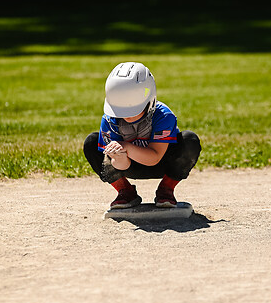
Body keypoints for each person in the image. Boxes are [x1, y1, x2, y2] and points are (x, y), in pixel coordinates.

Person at [83, 62, 201, 209]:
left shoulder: (163, 115)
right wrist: (119, 157)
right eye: (120, 108)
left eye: (132, 108)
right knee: (91, 143)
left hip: (162, 163)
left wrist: (125, 146)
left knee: (190, 140)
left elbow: (154, 158)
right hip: (129, 165)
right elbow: (121, 166)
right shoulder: (110, 119)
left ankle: (166, 190)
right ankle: (125, 192)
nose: (126, 115)